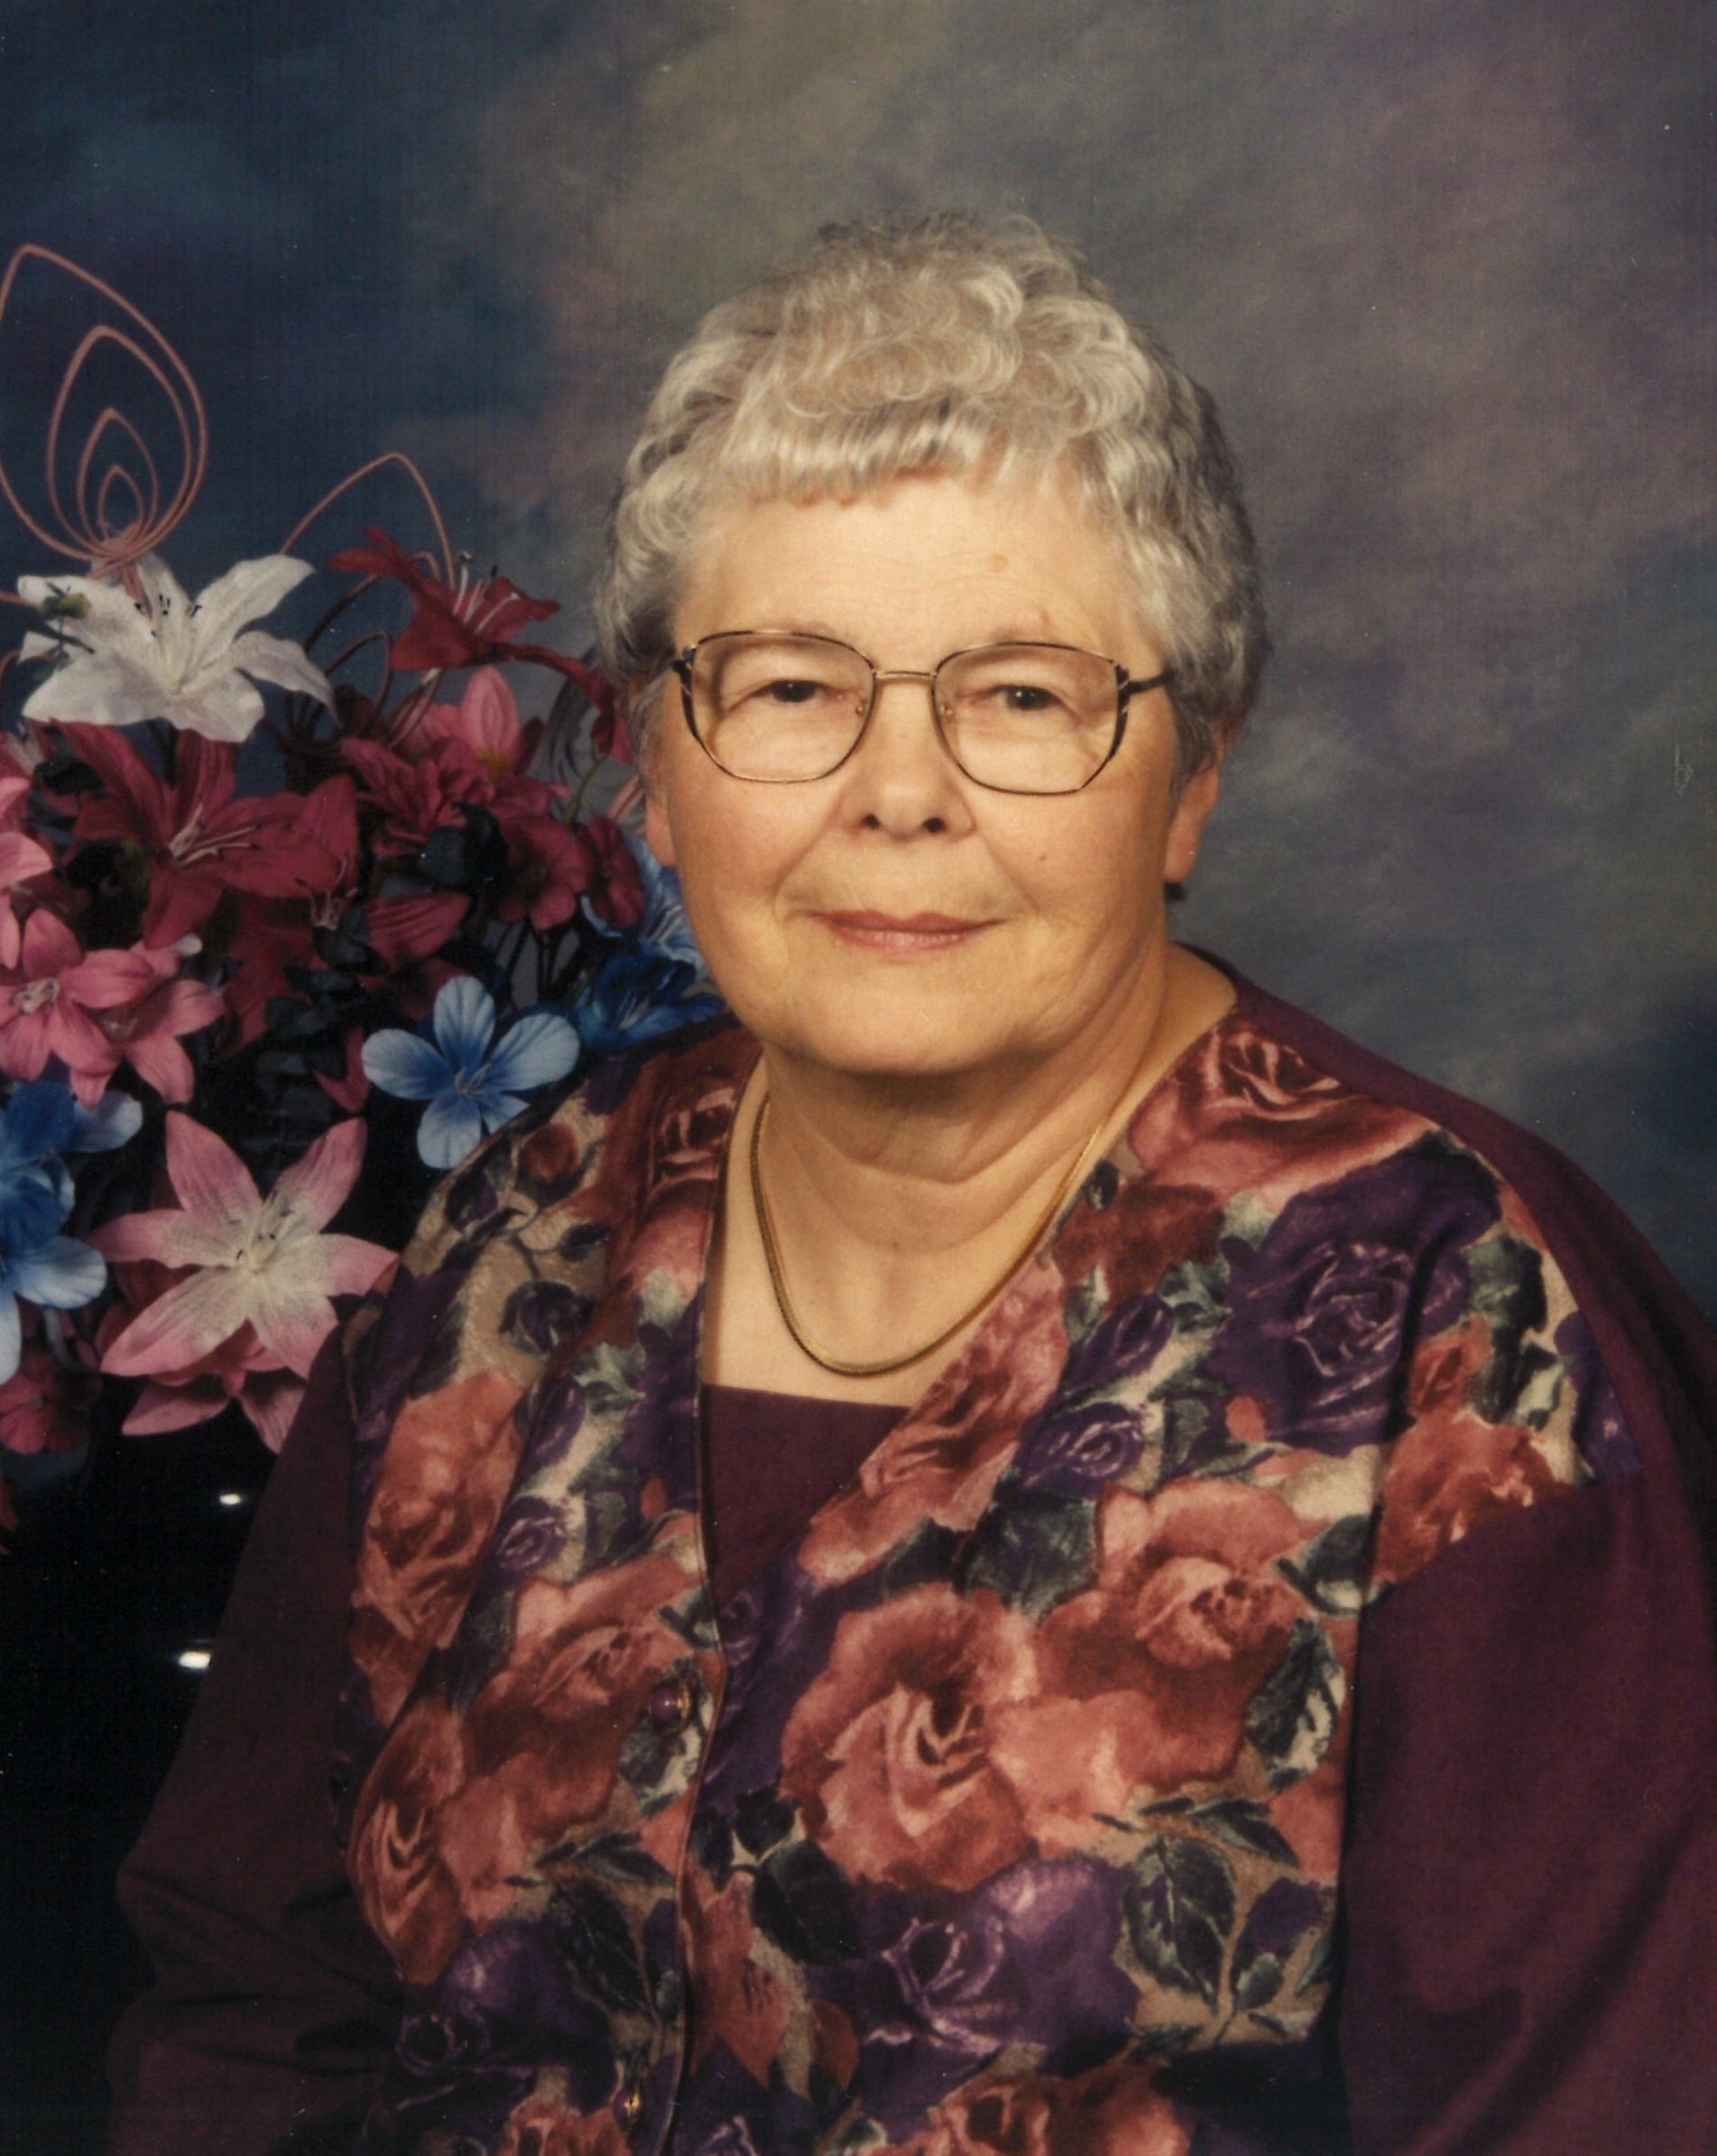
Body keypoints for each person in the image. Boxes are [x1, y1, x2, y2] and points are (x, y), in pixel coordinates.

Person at [109, 215, 1717, 2156]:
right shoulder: (514, 1244)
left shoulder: (1467, 1332)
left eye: (1023, 695)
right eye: (793, 686)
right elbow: (252, 2013)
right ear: (656, 765)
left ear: (1192, 777)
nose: (899, 791)